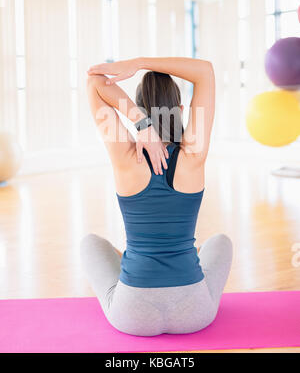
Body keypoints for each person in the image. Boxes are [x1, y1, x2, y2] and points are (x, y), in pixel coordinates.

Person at [80, 57, 233, 336]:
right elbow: (204, 71)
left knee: (89, 243)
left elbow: (94, 81)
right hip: (195, 312)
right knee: (221, 242)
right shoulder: (193, 156)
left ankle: (129, 258)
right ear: (182, 110)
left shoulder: (124, 156)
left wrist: (141, 123)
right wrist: (139, 62)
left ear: (141, 109)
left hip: (131, 315)